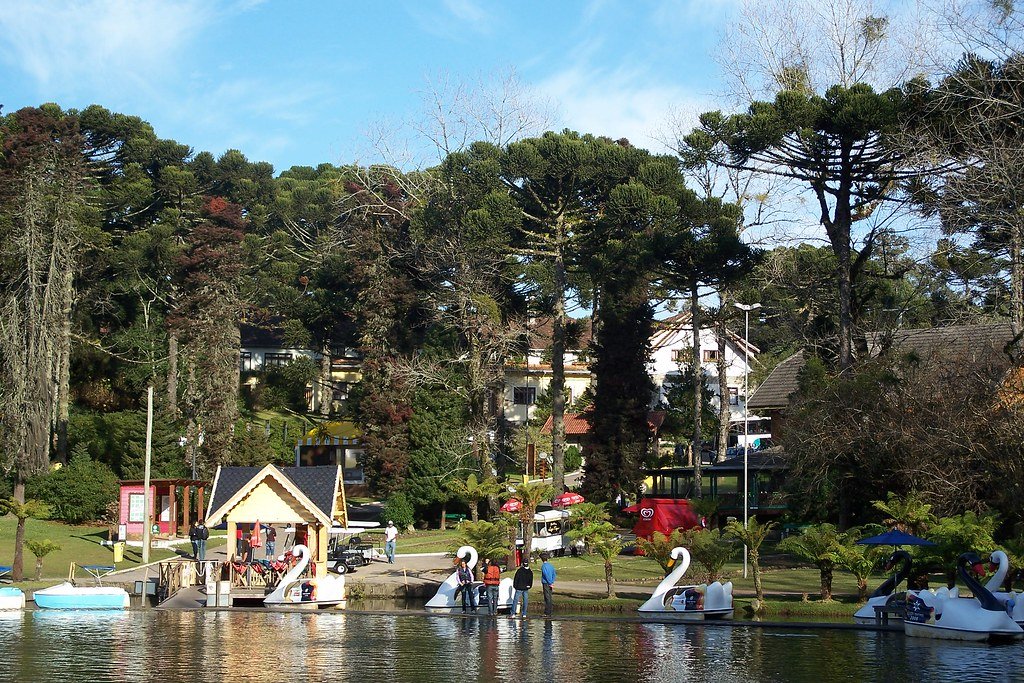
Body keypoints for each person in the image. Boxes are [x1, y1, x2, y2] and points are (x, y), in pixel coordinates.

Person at [540, 552, 557, 617]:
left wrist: (550, 583)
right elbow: (554, 574)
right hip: (550, 582)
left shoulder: (544, 566)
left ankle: (547, 612)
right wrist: (552, 581)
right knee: (549, 597)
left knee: (547, 598)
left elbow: (546, 575)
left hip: (546, 583)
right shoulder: (551, 566)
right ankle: (549, 611)